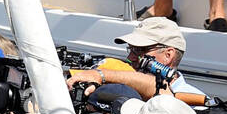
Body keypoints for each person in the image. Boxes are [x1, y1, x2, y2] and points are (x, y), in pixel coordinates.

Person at [66, 16, 205, 100]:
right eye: (130, 49)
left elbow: (161, 93)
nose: (130, 57)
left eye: (139, 50)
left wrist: (100, 75)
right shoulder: (123, 87)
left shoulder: (193, 100)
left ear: (168, 55)